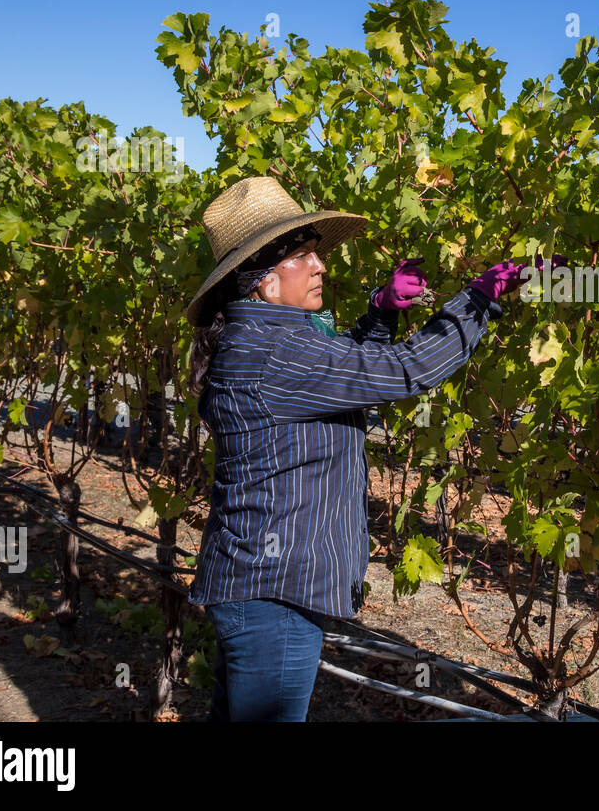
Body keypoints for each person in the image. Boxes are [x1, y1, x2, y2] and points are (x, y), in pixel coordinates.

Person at [182, 175, 533, 721]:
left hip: (258, 585)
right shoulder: (278, 350)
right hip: (274, 595)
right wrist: (479, 299)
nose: (321, 266)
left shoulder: (265, 341)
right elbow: (405, 371)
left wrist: (382, 313)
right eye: (304, 257)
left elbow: (343, 380)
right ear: (266, 282)